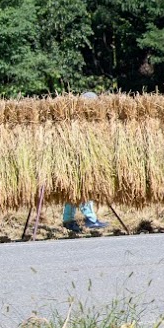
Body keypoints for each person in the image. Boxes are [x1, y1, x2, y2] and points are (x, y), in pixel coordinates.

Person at [63, 90, 109, 233]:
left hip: (75, 159)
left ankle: (68, 219)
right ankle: (90, 219)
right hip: (78, 160)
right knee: (83, 188)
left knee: (74, 191)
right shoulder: (79, 120)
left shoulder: (80, 118)